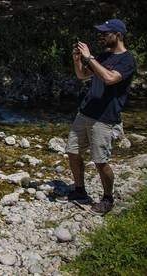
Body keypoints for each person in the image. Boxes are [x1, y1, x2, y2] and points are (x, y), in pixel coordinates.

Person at [64, 19, 137, 215]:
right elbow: (82, 76)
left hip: (104, 118)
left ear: (118, 35)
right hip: (85, 112)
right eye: (101, 33)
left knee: (100, 160)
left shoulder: (127, 60)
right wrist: (78, 59)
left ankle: (107, 198)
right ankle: (80, 190)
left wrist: (90, 58)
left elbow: (109, 78)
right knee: (72, 151)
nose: (102, 36)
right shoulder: (104, 56)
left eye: (105, 33)